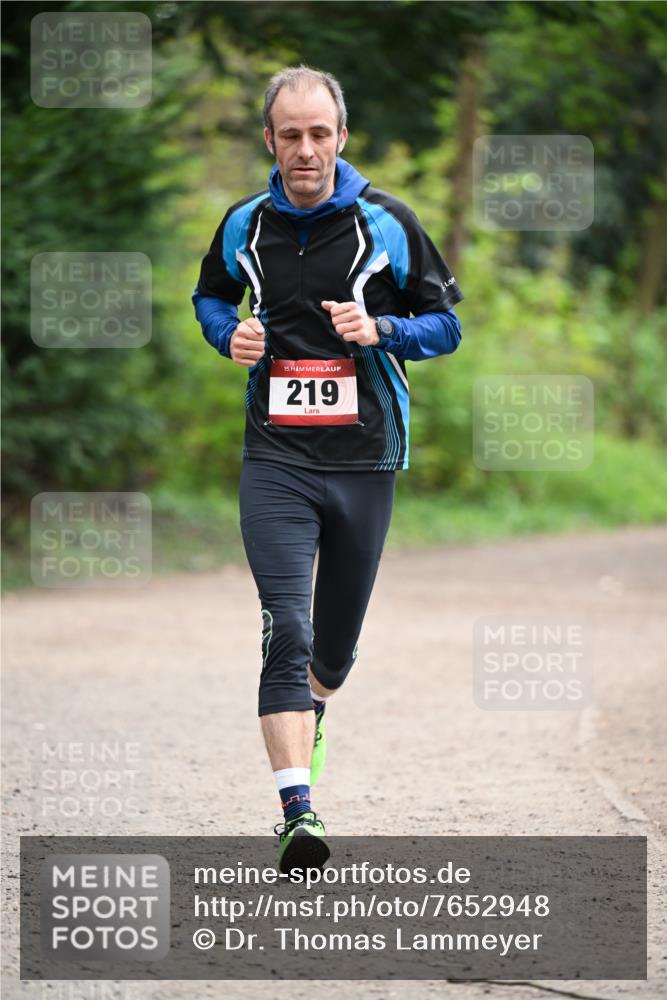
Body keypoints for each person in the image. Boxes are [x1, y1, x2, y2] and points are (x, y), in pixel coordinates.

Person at [193, 64, 463, 874]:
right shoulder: (243, 224)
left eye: (319, 134)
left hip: (365, 458)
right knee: (288, 627)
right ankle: (296, 812)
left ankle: (314, 706)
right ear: (269, 141)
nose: (305, 149)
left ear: (340, 138)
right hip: (273, 455)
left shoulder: (388, 223)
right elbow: (209, 297)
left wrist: (382, 330)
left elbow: (446, 324)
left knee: (332, 655)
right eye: (290, 135)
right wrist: (226, 335)